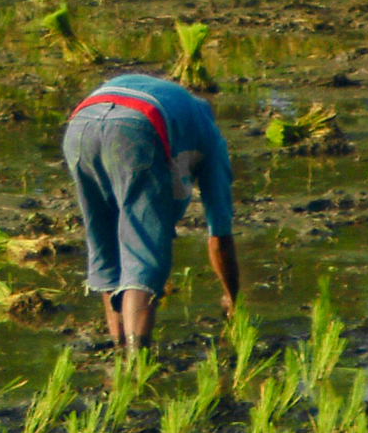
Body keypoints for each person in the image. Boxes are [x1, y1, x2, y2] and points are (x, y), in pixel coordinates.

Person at [62, 71, 241, 355]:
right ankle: (137, 361)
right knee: (144, 254)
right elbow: (219, 232)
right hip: (136, 126)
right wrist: (233, 298)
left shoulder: (178, 106)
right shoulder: (210, 135)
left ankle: (120, 351)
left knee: (105, 243)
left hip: (81, 125)